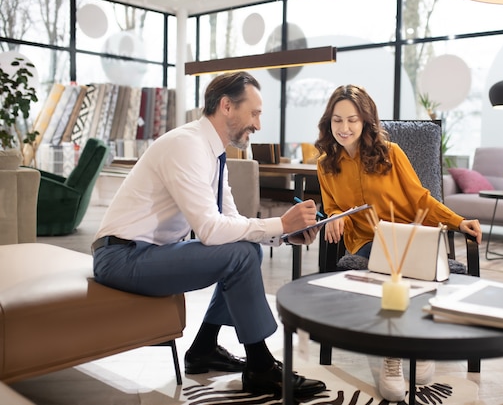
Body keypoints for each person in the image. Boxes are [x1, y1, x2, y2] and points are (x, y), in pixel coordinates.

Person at [92, 71, 326, 398]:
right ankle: (260, 367)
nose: (258, 125)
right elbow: (210, 230)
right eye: (254, 113)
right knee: (242, 254)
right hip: (122, 257)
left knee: (247, 250)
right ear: (227, 106)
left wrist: (285, 235)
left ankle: (203, 349)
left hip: (144, 252)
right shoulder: (186, 145)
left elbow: (229, 220)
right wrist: (281, 224)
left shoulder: (212, 152)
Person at [315, 84, 482, 402]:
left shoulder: (391, 154)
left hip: (411, 236)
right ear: (329, 122)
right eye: (337, 120)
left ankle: (419, 343)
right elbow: (335, 206)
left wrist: (458, 220)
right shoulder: (325, 164)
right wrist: (335, 215)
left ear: (365, 120)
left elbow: (422, 198)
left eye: (352, 119)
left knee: (400, 256)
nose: (345, 128)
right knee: (388, 258)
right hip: (366, 240)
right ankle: (394, 357)